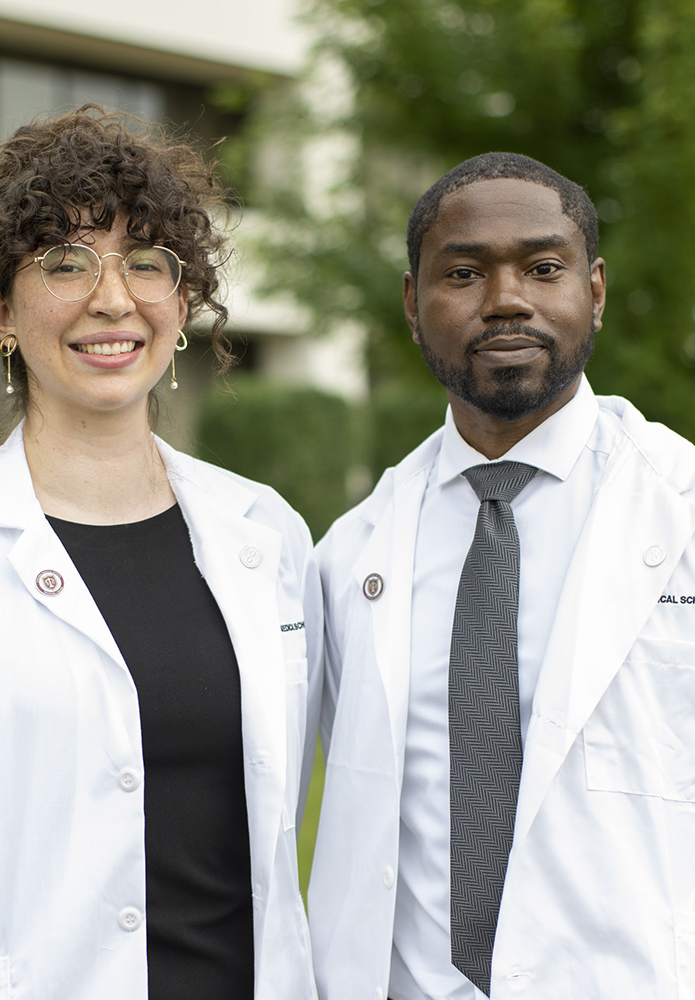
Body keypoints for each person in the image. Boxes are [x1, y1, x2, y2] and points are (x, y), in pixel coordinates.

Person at [0, 107, 322, 1000]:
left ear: (183, 304)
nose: (113, 298)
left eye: (147, 264)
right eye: (65, 263)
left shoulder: (266, 532)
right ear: (0, 311)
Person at [309, 151, 695, 1000]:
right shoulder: (348, 555)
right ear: (414, 306)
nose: (508, 298)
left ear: (594, 290)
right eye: (464, 273)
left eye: (543, 266)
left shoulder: (682, 508)